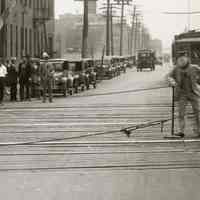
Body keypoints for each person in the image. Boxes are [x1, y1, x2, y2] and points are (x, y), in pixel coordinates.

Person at [167, 53, 200, 138]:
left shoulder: (194, 67)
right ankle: (181, 131)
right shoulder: (175, 69)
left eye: (183, 59)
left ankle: (199, 130)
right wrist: (172, 82)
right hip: (182, 94)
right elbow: (168, 76)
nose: (182, 61)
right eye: (180, 60)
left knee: (198, 112)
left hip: (193, 92)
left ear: (187, 59)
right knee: (181, 113)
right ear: (178, 61)